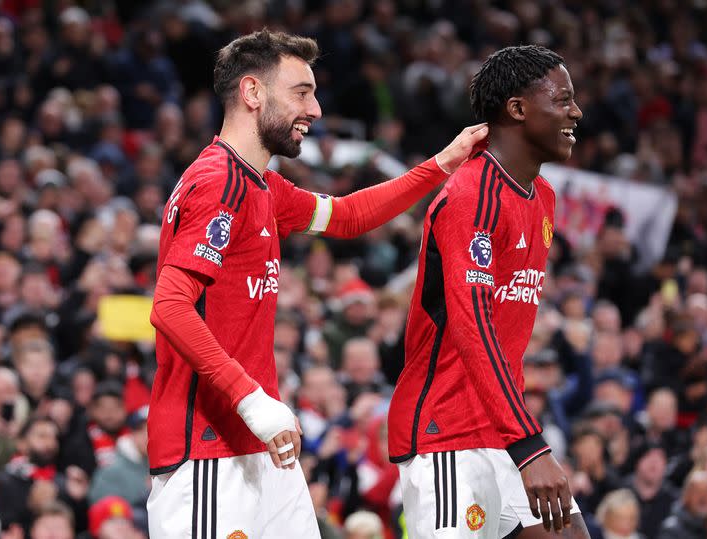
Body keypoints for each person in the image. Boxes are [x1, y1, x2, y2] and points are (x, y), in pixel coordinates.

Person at [147, 29, 488, 539]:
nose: (317, 108)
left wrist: (442, 163)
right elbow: (169, 306)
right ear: (252, 93)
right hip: (207, 451)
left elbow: (349, 216)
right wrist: (250, 397)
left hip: (259, 448)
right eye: (301, 92)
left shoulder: (259, 183)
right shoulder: (219, 181)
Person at [387, 45, 590, 538]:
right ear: (517, 109)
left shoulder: (542, 197)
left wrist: (518, 435)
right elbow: (472, 326)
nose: (576, 112)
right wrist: (531, 446)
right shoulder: (470, 194)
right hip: (445, 435)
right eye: (562, 100)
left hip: (500, 429)